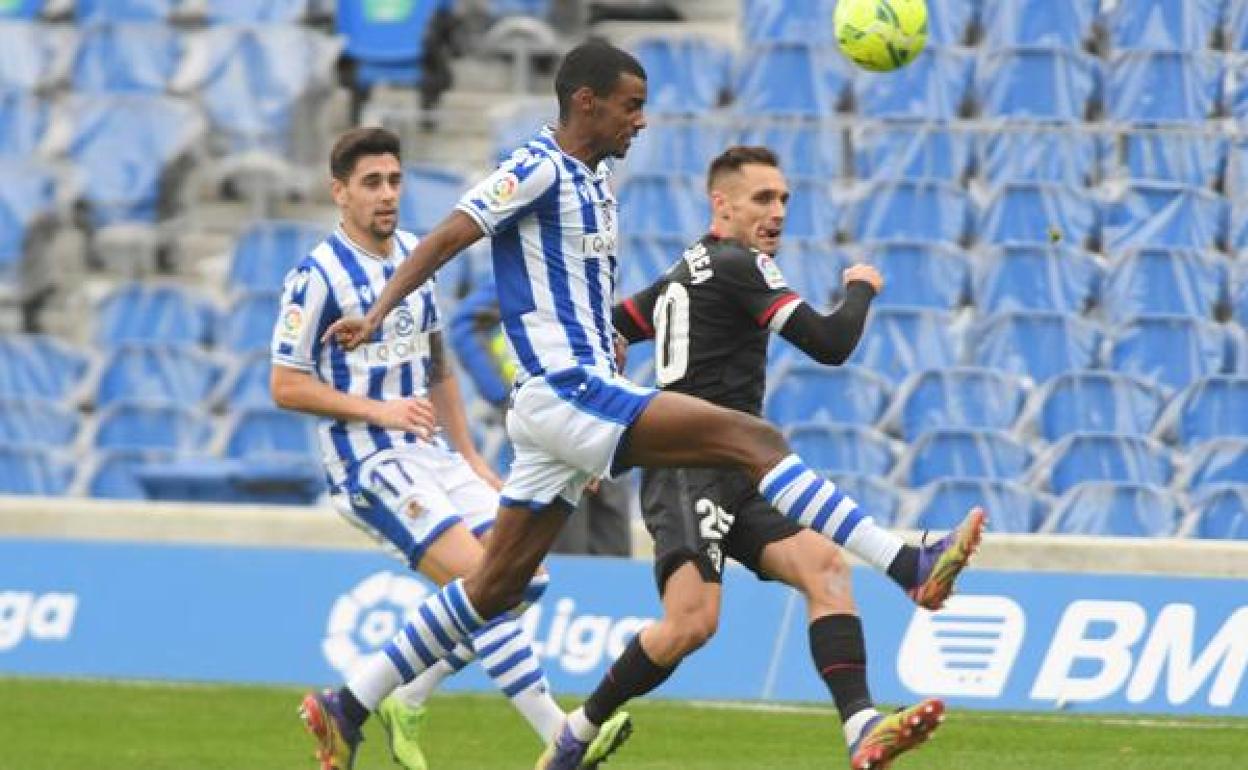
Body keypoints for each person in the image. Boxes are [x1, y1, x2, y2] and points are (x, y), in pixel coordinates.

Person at [316, 41, 980, 770]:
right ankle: (905, 562)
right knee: (756, 441)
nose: (641, 120)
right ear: (586, 102)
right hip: (564, 389)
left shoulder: (596, 182)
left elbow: (593, 296)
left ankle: (350, 702)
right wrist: (379, 310)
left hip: (567, 402)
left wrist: (609, 339)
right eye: (630, 106)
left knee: (496, 585)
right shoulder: (537, 167)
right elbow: (449, 234)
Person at [581, 144, 986, 768]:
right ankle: (575, 733)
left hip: (736, 468)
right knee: (691, 624)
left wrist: (607, 346)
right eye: (763, 198)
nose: (778, 212)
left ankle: (862, 726)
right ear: (722, 205)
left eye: (784, 199)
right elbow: (830, 343)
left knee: (825, 568)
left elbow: (617, 321)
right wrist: (861, 289)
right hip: (688, 468)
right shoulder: (741, 265)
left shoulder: (684, 270)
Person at [271, 127, 628, 770]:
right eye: (371, 183)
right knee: (481, 579)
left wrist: (471, 460)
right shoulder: (316, 276)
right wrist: (379, 410)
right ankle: (559, 736)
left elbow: (438, 368)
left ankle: (388, 696)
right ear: (339, 193)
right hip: (369, 463)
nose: (387, 194)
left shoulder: (414, 256)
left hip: (433, 455)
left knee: (526, 577)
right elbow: (285, 384)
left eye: (394, 180)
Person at [450, 279, 633, 557]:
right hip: (552, 416)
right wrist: (504, 395)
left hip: (606, 414)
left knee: (612, 538)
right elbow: (465, 326)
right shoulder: (535, 273)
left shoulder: (601, 273)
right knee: (563, 536)